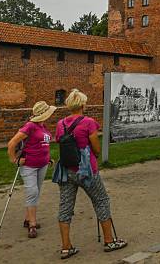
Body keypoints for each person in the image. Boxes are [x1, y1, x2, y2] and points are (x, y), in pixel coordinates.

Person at [53, 89, 127, 259]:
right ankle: (109, 241)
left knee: (65, 207)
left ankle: (66, 247)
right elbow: (96, 147)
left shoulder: (60, 124)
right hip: (87, 171)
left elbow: (59, 141)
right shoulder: (88, 122)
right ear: (83, 105)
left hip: (67, 170)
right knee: (101, 200)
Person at [6, 101, 55, 238]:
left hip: (43, 164)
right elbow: (12, 143)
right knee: (32, 191)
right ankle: (33, 224)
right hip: (29, 166)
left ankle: (28, 219)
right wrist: (14, 160)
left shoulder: (43, 126)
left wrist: (48, 158)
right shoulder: (30, 126)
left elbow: (43, 144)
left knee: (36, 192)